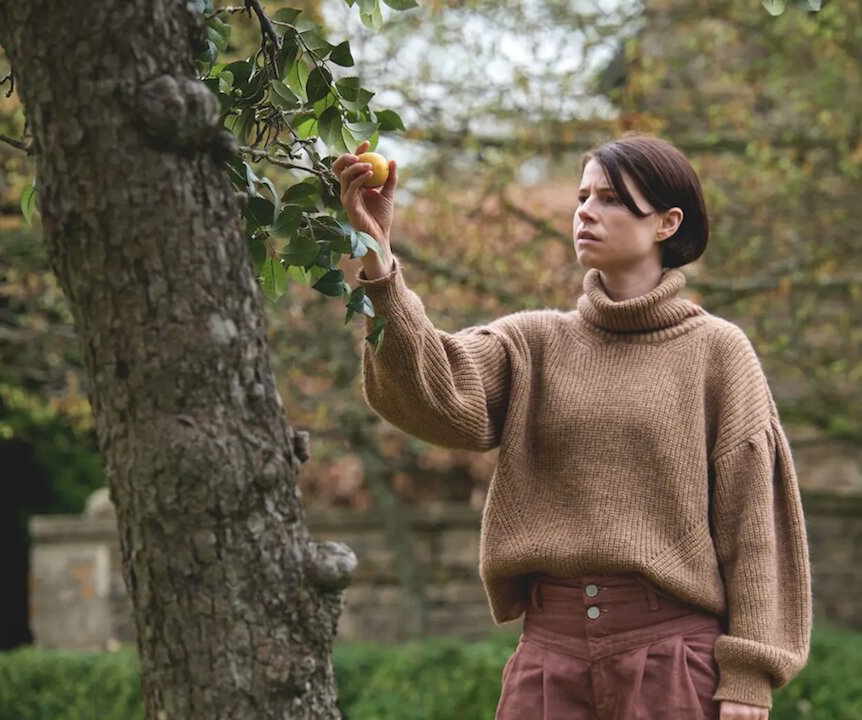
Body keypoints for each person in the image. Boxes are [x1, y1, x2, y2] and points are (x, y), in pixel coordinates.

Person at [331, 133, 812, 720]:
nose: (585, 210)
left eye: (610, 198)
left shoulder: (718, 352)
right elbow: (430, 392)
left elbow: (756, 528)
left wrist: (749, 678)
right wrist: (378, 257)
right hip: (548, 665)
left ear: (667, 222)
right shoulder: (533, 343)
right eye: (582, 196)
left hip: (674, 665)